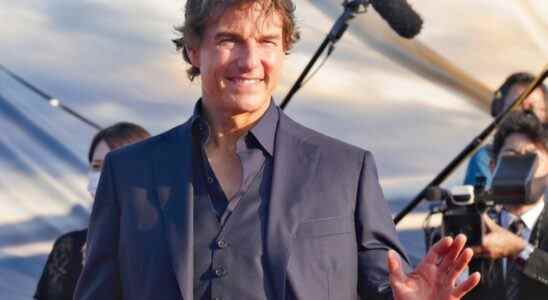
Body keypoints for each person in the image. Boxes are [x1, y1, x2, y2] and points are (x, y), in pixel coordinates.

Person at [74, 1, 480, 299]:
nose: (250, 61)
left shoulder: (346, 170)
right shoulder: (129, 173)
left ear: (284, 50)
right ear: (194, 51)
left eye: (267, 41)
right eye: (230, 40)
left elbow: (382, 286)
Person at [34, 122, 150, 300]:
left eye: (115, 165)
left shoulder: (168, 246)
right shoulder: (69, 246)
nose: (103, 175)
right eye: (96, 166)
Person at [468, 111, 548, 299]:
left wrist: (520, 250)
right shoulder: (476, 224)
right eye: (510, 154)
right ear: (493, 166)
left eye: (531, 156)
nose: (520, 163)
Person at [464, 72, 548, 186]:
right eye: (517, 106)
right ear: (500, 109)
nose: (524, 116)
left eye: (532, 109)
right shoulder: (486, 158)